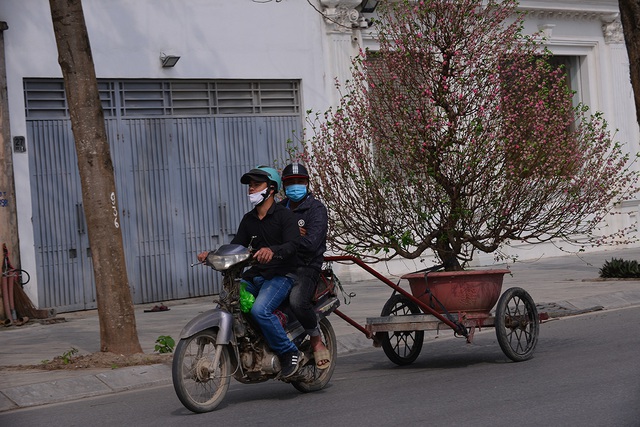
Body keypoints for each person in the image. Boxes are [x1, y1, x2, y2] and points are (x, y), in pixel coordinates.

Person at [198, 166, 301, 378]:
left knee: (259, 310)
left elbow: (293, 245)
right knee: (228, 302)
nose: (251, 189)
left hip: (281, 275)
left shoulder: (285, 216)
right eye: (249, 186)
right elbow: (237, 246)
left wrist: (272, 251)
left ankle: (289, 352)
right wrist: (212, 255)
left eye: (256, 185)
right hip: (255, 276)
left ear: (271, 189)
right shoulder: (249, 219)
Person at [279, 162, 331, 370]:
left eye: (300, 181)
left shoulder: (316, 209)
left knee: (297, 301)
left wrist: (286, 237)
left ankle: (316, 340)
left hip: (307, 266)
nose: (295, 186)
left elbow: (311, 244)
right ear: (283, 186)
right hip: (282, 265)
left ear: (307, 183)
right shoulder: (279, 209)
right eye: (291, 182)